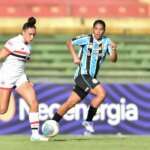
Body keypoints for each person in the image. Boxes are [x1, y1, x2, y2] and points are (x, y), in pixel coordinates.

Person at [52, 19, 118, 134]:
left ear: (104, 31)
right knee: (101, 94)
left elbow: (113, 60)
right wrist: (74, 57)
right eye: (96, 29)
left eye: (101, 29)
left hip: (89, 78)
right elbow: (69, 42)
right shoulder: (86, 39)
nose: (98, 32)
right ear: (93, 29)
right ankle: (88, 121)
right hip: (82, 75)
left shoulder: (106, 41)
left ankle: (52, 123)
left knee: (70, 103)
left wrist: (113, 49)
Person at [0, 17, 48, 141]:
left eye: (34, 35)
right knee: (2, 109)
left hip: (20, 77)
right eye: (30, 34)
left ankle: (35, 135)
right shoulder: (14, 42)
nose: (32, 37)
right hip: (7, 76)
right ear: (23, 32)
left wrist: (27, 79)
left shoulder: (28, 47)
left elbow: (20, 64)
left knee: (34, 102)